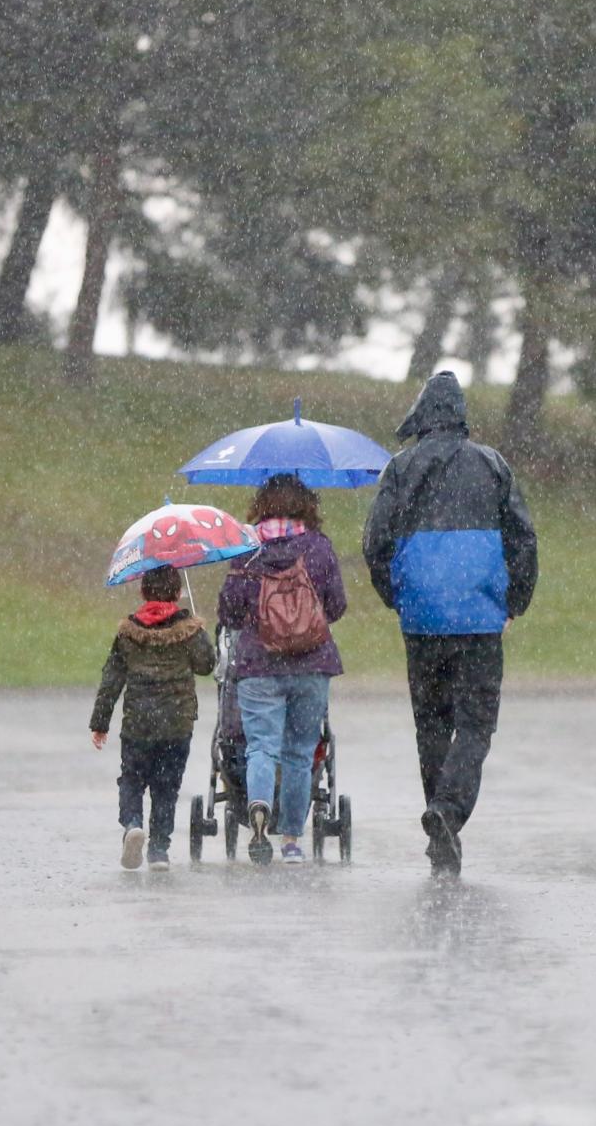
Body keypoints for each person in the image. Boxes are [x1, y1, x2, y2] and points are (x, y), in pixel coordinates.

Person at [362, 370, 537, 873]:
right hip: (480, 617)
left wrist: (397, 596)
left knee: (431, 722)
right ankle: (447, 811)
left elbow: (375, 542)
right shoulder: (492, 464)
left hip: (422, 620)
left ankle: (441, 826)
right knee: (476, 723)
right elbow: (523, 540)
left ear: (423, 416)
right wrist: (513, 603)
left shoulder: (400, 467)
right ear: (460, 416)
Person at [217, 474, 346, 864]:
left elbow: (228, 611)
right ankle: (290, 839)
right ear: (307, 505)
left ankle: (258, 806)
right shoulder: (319, 548)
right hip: (311, 665)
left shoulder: (248, 549)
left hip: (258, 666)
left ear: (262, 505)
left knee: (260, 746)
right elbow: (336, 606)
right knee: (299, 754)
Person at [89, 564, 216, 869]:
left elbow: (112, 679)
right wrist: (199, 631)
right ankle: (159, 849)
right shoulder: (189, 630)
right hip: (176, 722)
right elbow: (206, 665)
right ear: (176, 592)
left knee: (132, 779)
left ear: (144, 592)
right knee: (166, 787)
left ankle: (133, 824)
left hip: (138, 723)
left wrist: (100, 722)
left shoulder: (128, 632)